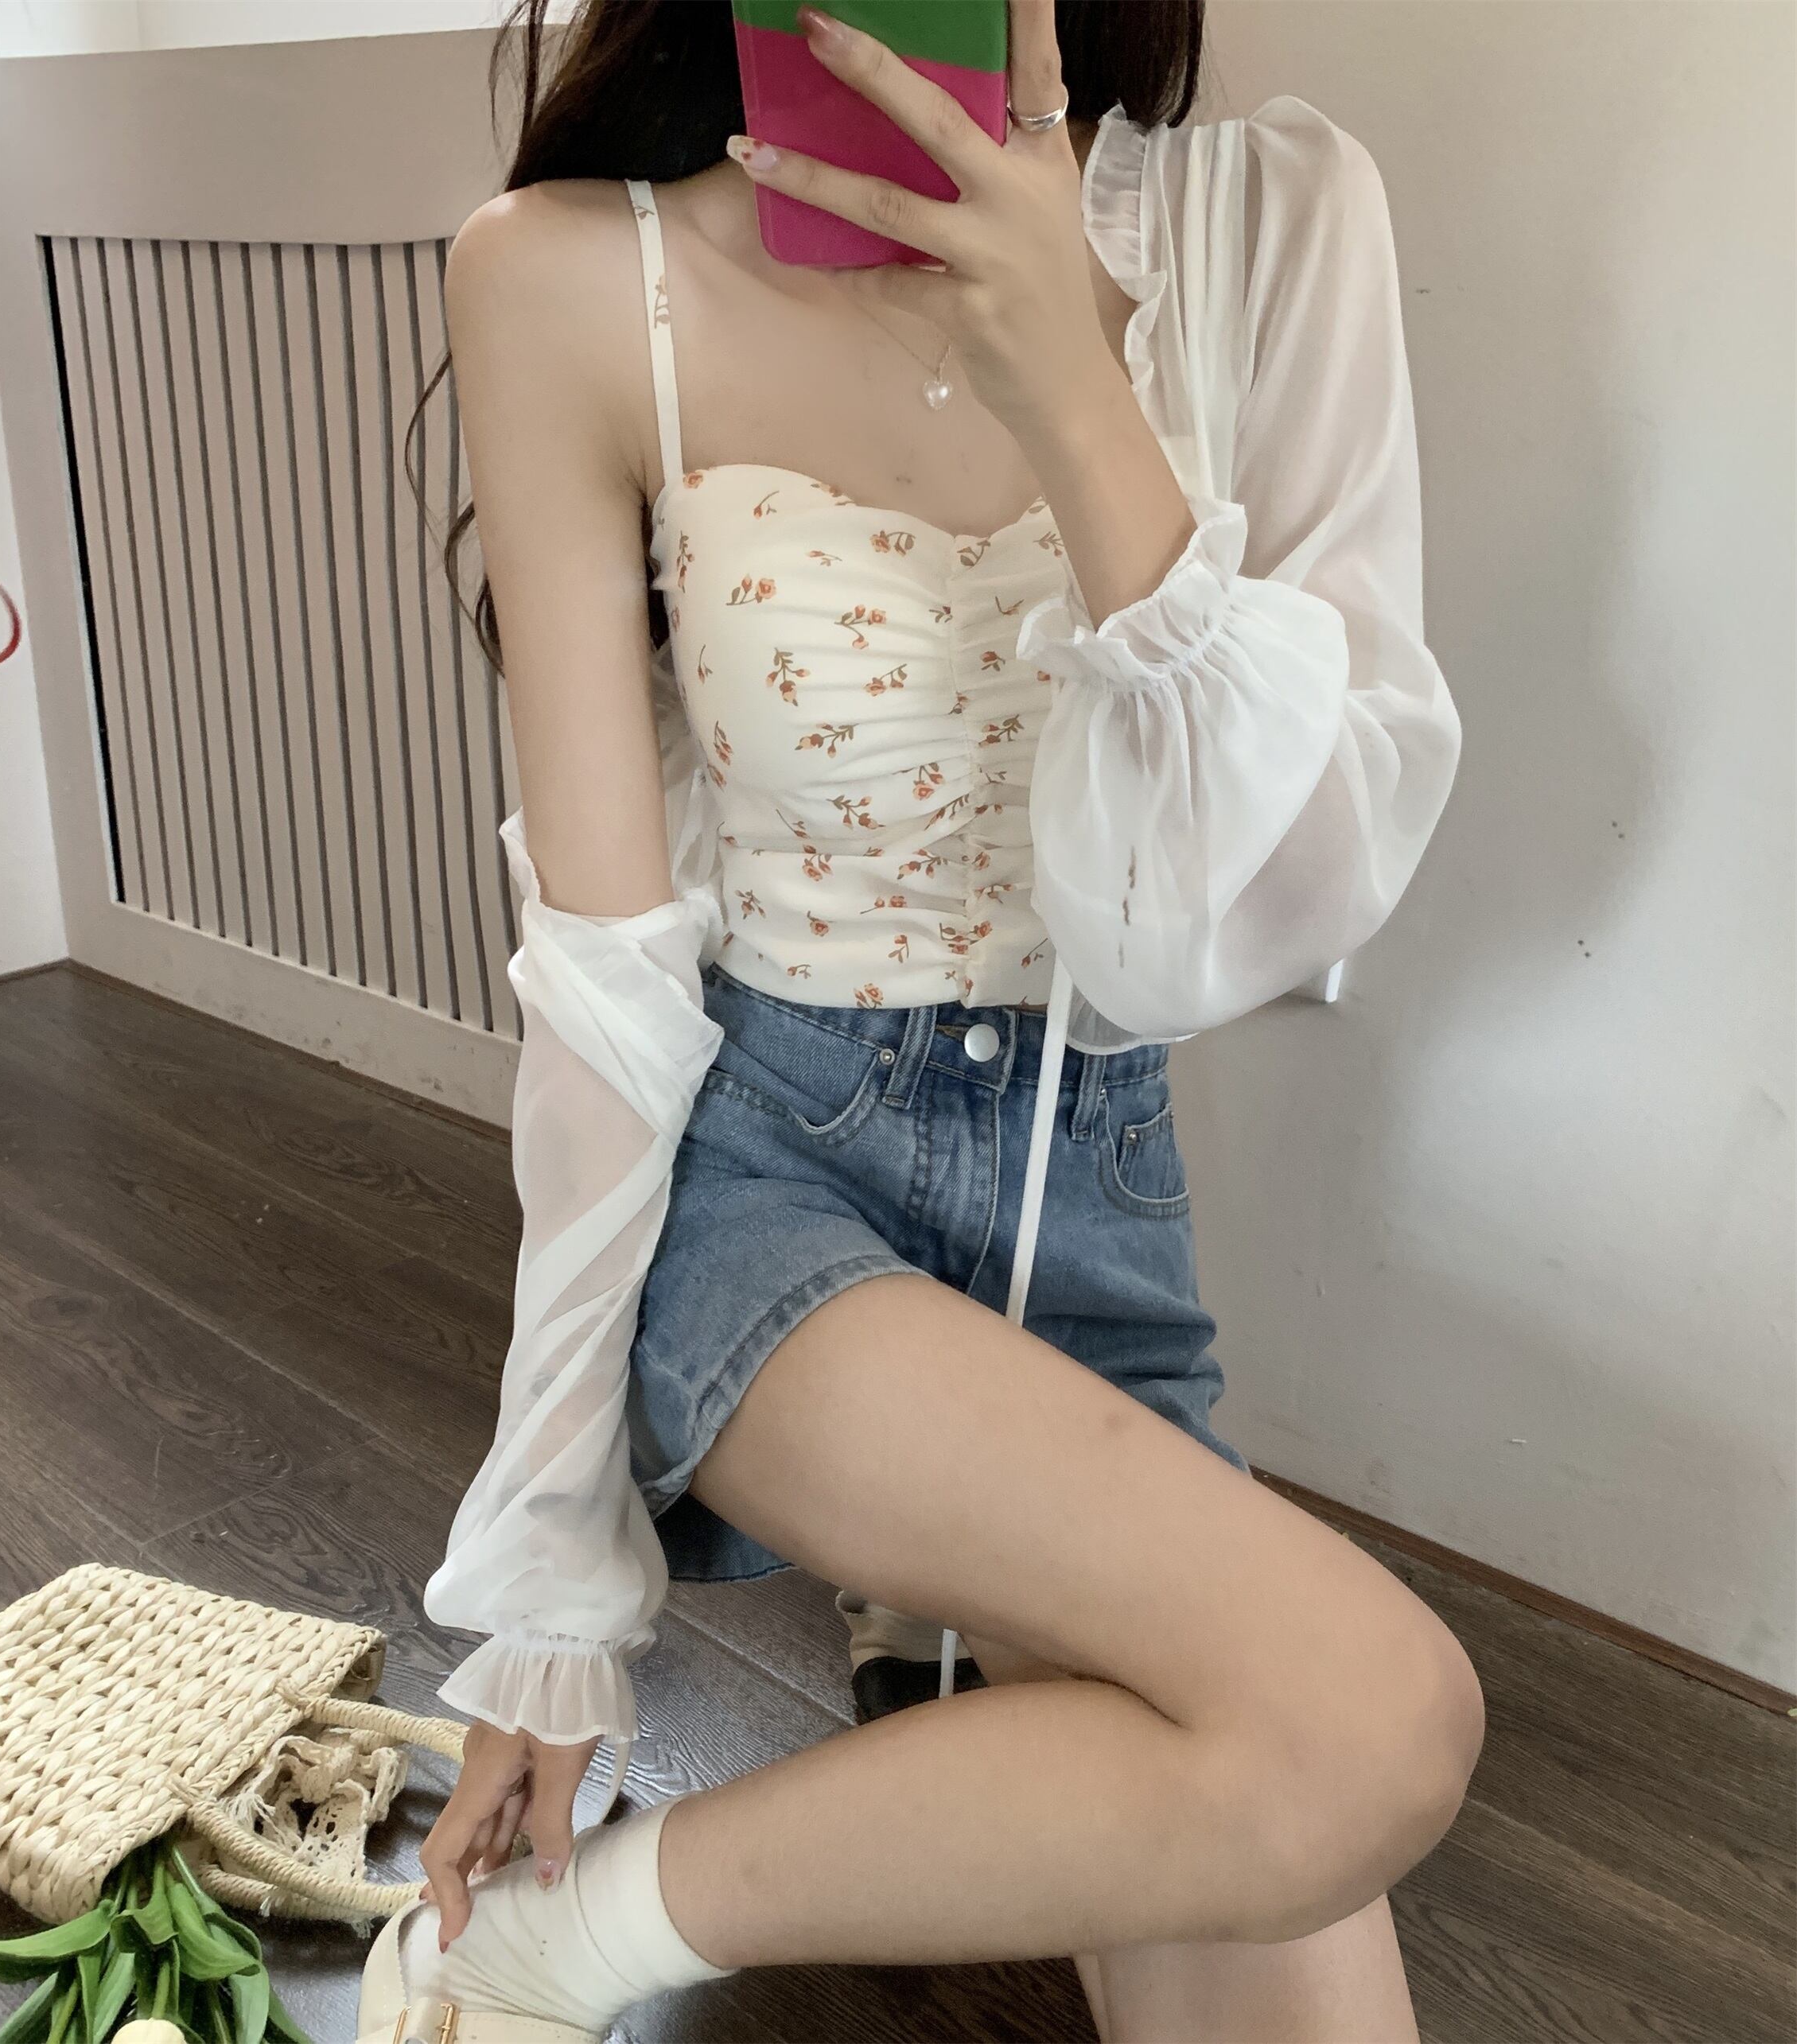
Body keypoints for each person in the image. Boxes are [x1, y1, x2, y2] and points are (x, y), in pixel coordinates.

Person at [360, 2, 1480, 2038]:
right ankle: (560, 1941)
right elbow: (604, 989)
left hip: (1093, 1204)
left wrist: (1074, 386)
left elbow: (1298, 893)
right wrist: (546, 1596)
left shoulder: (1272, 222)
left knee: (1295, 1792)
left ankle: (889, 1650)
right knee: (1374, 1714)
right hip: (767, 1181)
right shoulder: (567, 276)